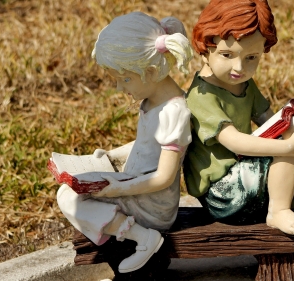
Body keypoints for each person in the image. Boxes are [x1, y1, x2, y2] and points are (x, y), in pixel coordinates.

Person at [183, 0, 294, 236]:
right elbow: (234, 141)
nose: (239, 67)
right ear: (205, 48)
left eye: (251, 58)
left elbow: (270, 119)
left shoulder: (243, 83)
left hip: (245, 170)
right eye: (227, 54)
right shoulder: (201, 95)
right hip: (225, 193)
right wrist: (288, 146)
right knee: (289, 141)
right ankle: (278, 211)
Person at [56, 12, 193, 273]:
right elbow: (147, 144)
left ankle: (143, 238)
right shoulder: (153, 102)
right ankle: (126, 235)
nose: (120, 88)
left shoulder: (174, 112)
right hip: (135, 186)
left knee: (71, 198)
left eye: (125, 79)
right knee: (70, 191)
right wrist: (111, 154)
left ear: (151, 71)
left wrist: (118, 189)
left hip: (153, 204)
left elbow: (164, 176)